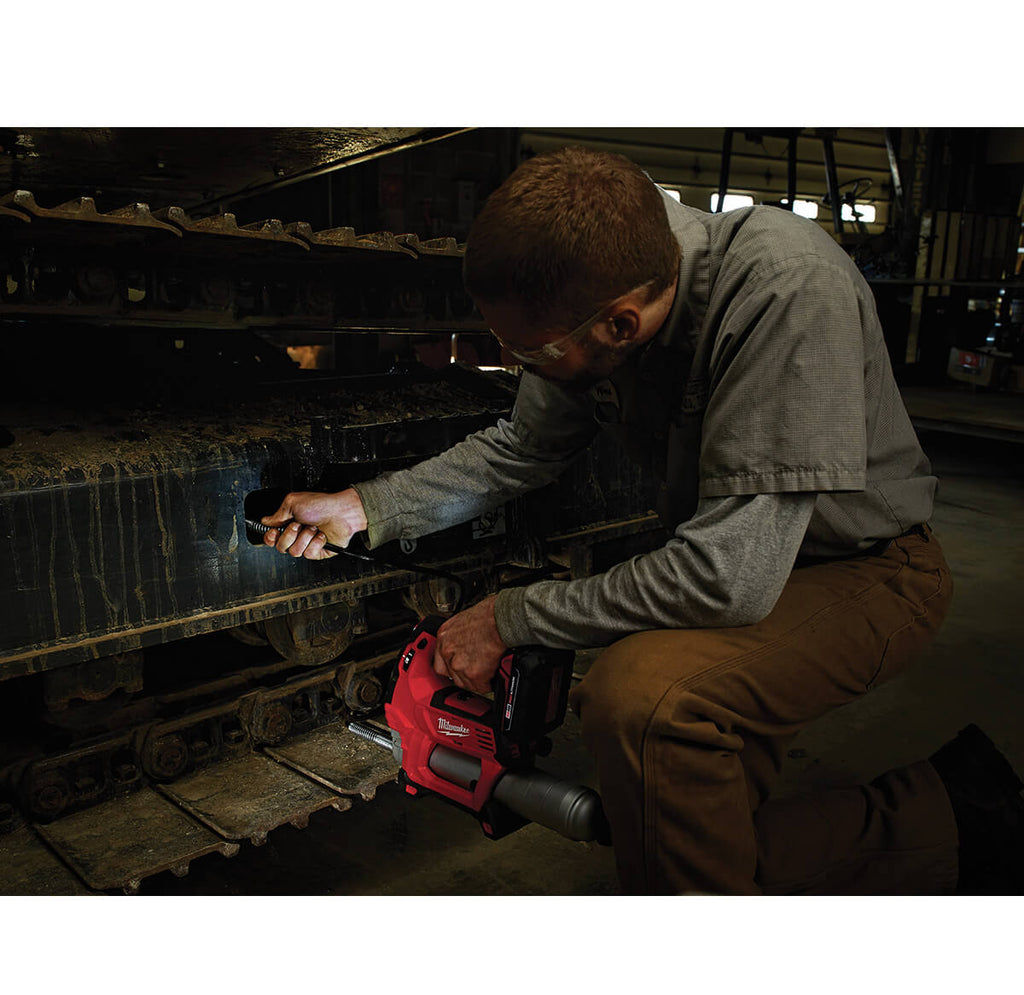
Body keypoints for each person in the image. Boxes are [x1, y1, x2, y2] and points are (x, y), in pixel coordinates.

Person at [262, 146, 1024, 895]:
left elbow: (726, 579)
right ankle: (954, 816)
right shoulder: (592, 281)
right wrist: (366, 508)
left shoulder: (785, 288)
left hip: (867, 571)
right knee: (688, 839)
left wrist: (509, 618)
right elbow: (524, 448)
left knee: (645, 700)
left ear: (621, 325)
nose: (516, 363)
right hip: (754, 564)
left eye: (528, 353)